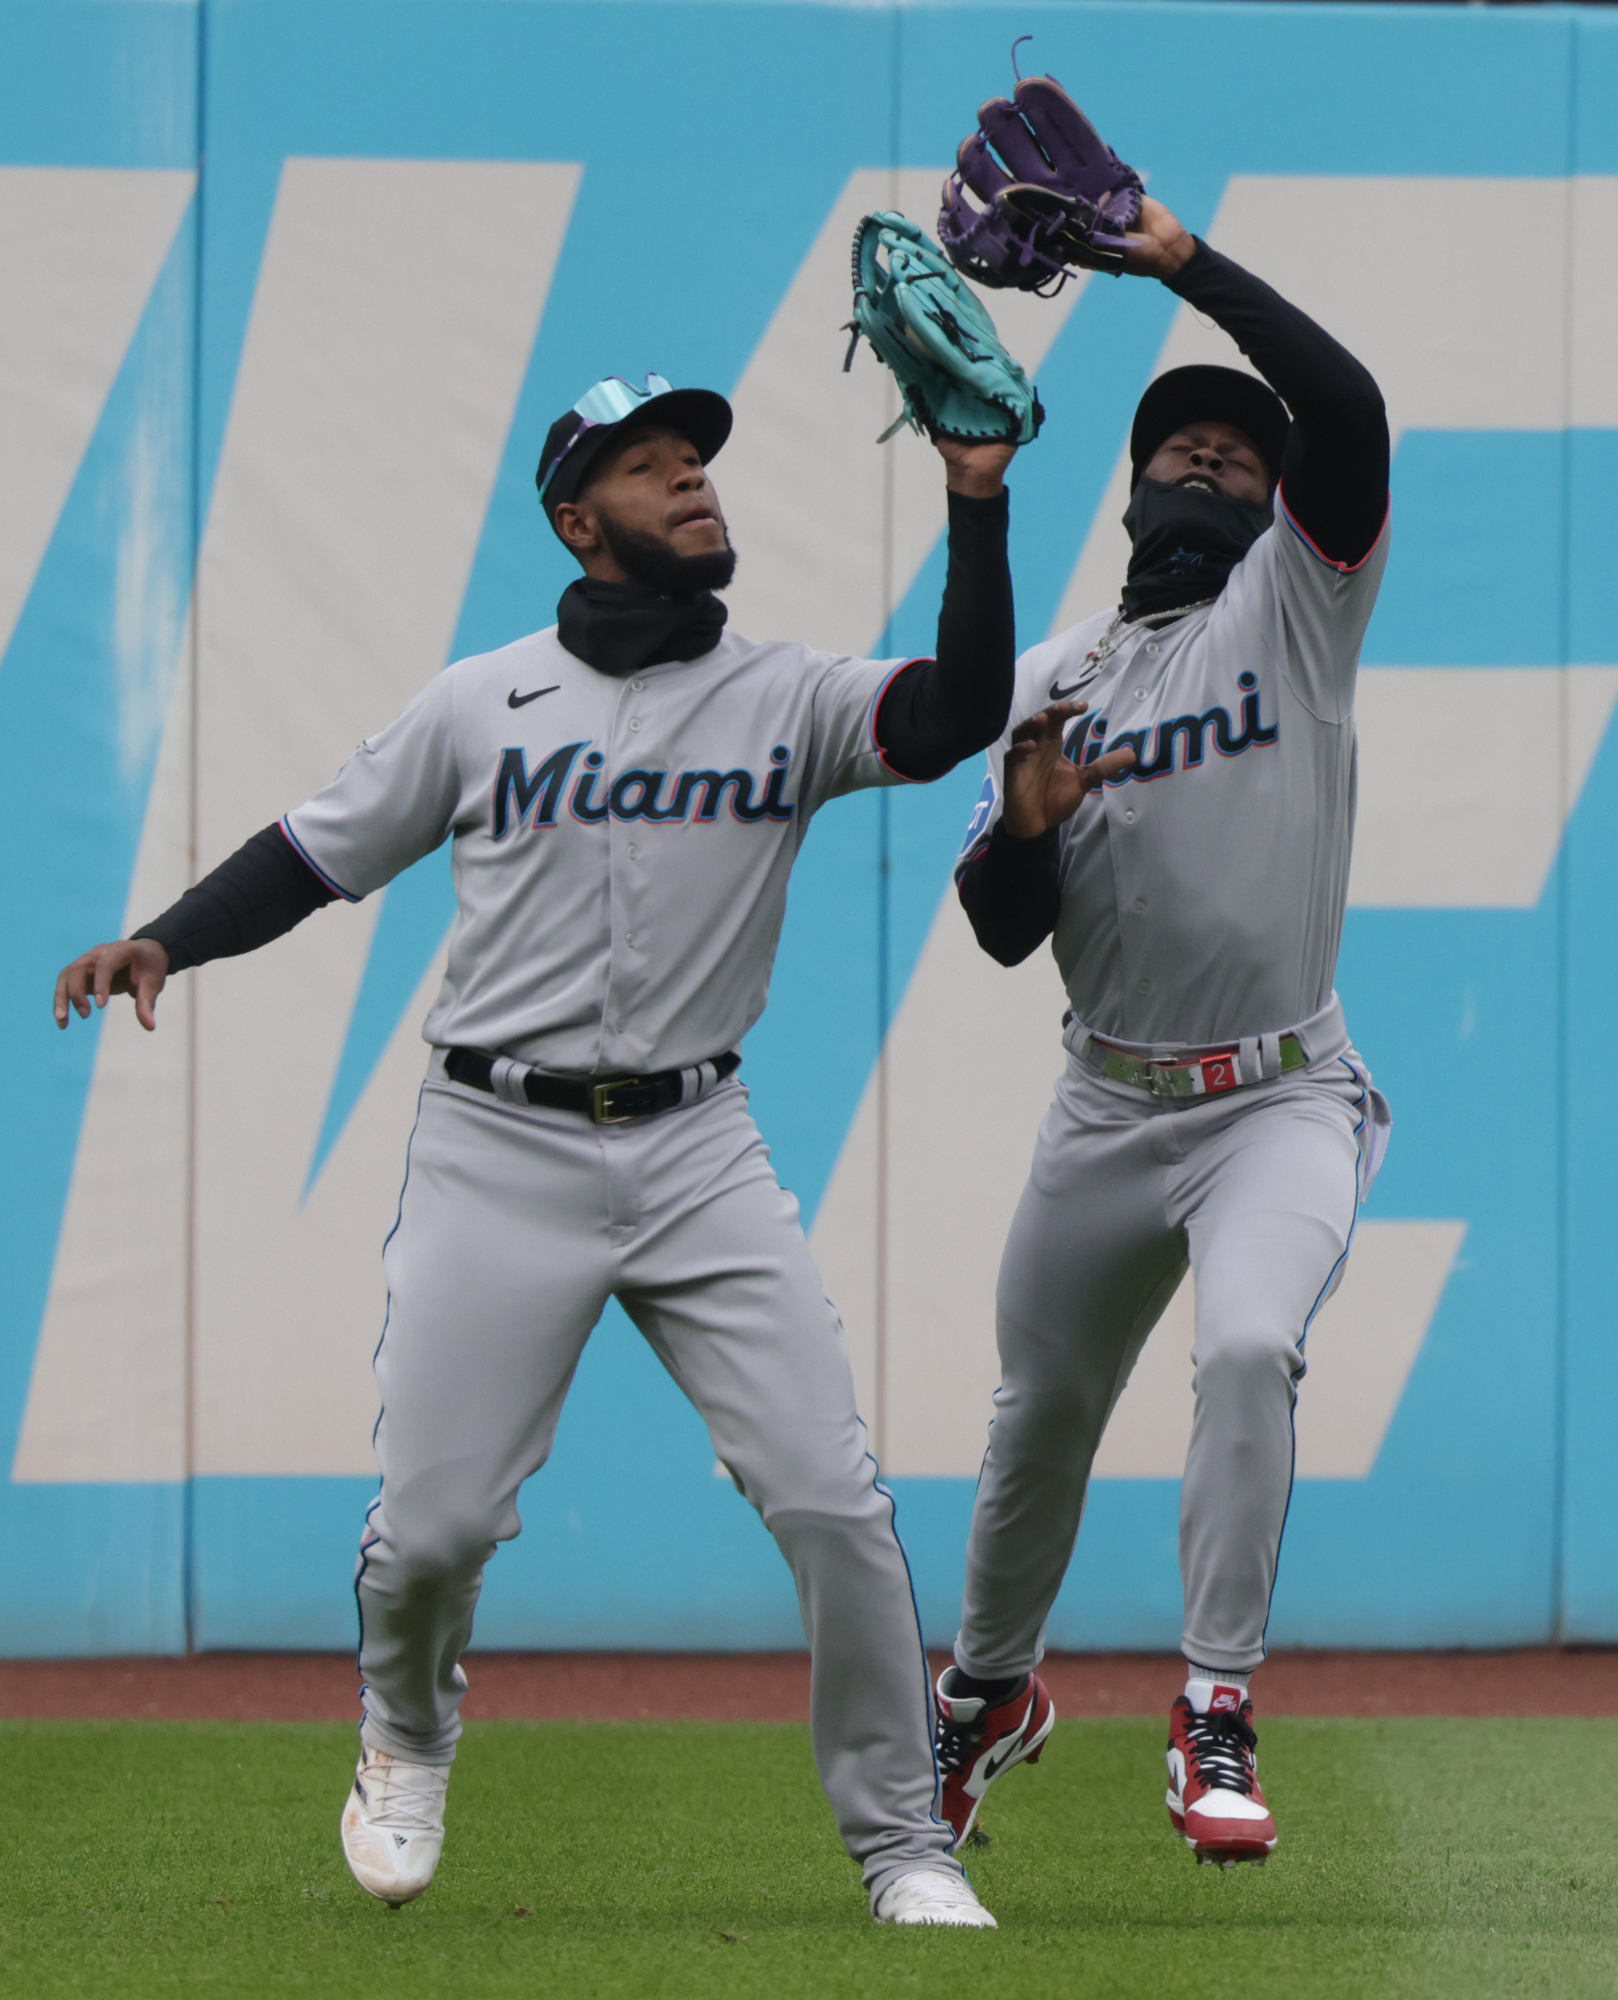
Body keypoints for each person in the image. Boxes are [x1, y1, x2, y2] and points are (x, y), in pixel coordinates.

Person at [52, 369, 1083, 1927]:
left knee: (830, 1501)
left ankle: (900, 1847)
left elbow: (951, 715)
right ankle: (405, 1729)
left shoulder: (786, 695)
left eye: (696, 462)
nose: (690, 484)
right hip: (496, 1145)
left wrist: (977, 500)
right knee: (434, 1532)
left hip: (697, 1150)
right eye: (648, 465)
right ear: (574, 517)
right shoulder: (482, 699)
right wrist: (163, 942)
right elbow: (312, 852)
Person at [933, 197, 1392, 1867]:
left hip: (1279, 1092)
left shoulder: (1296, 610)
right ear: (1129, 489)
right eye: (1178, 445)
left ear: (1277, 504)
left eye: (1236, 455)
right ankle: (985, 1696)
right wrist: (1030, 821)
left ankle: (1211, 1702)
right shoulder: (1056, 679)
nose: (1208, 461)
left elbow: (1344, 410)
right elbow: (995, 931)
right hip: (1107, 1109)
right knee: (1035, 1418)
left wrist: (1177, 261)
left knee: (1246, 1347)